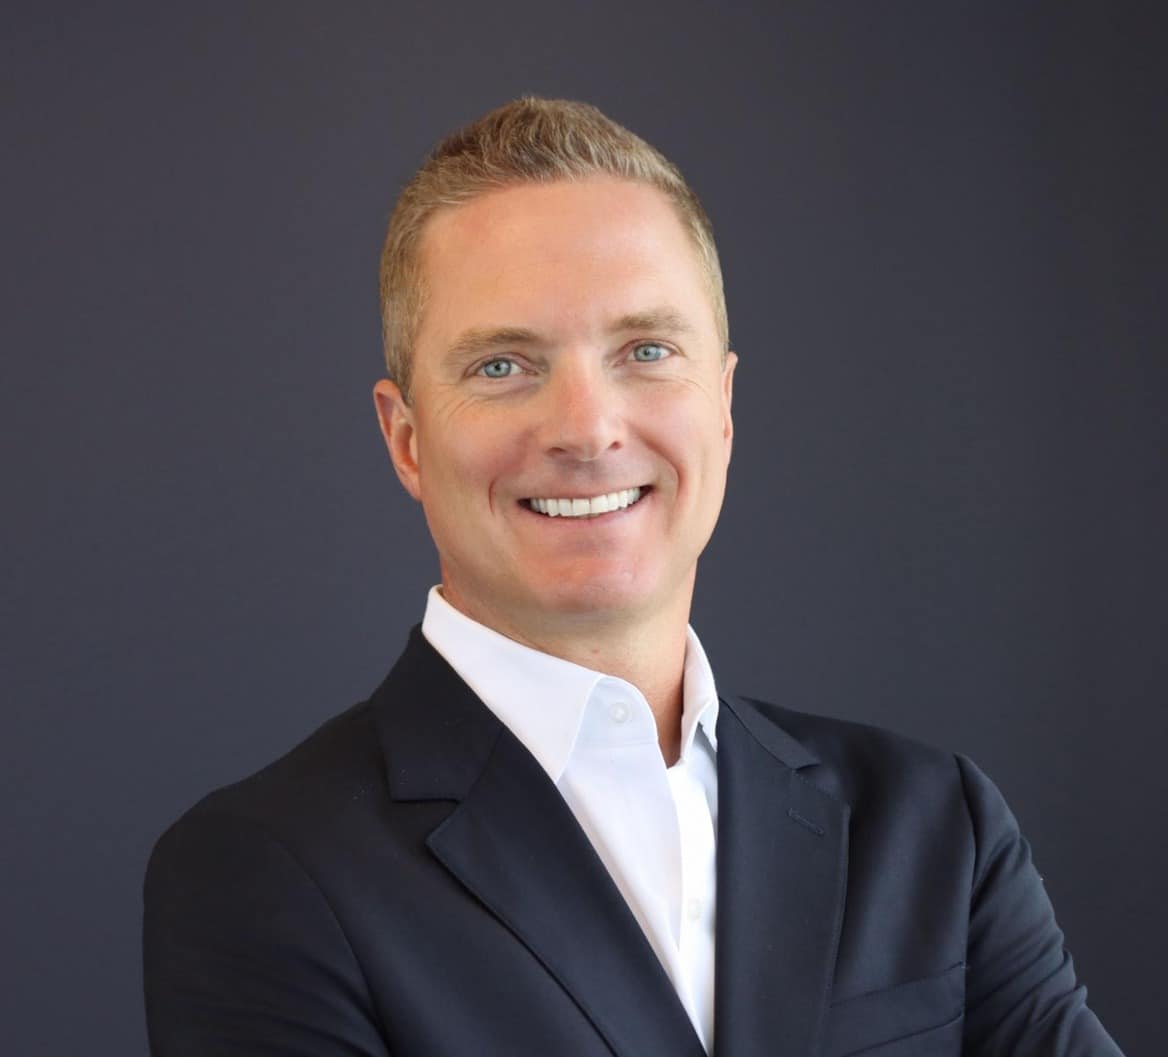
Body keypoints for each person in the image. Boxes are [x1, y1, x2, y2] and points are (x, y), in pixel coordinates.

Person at [143, 98, 1122, 1057]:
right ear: (406, 439)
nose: (588, 427)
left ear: (723, 407)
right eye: (502, 366)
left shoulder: (934, 826)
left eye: (646, 350)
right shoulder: (265, 873)